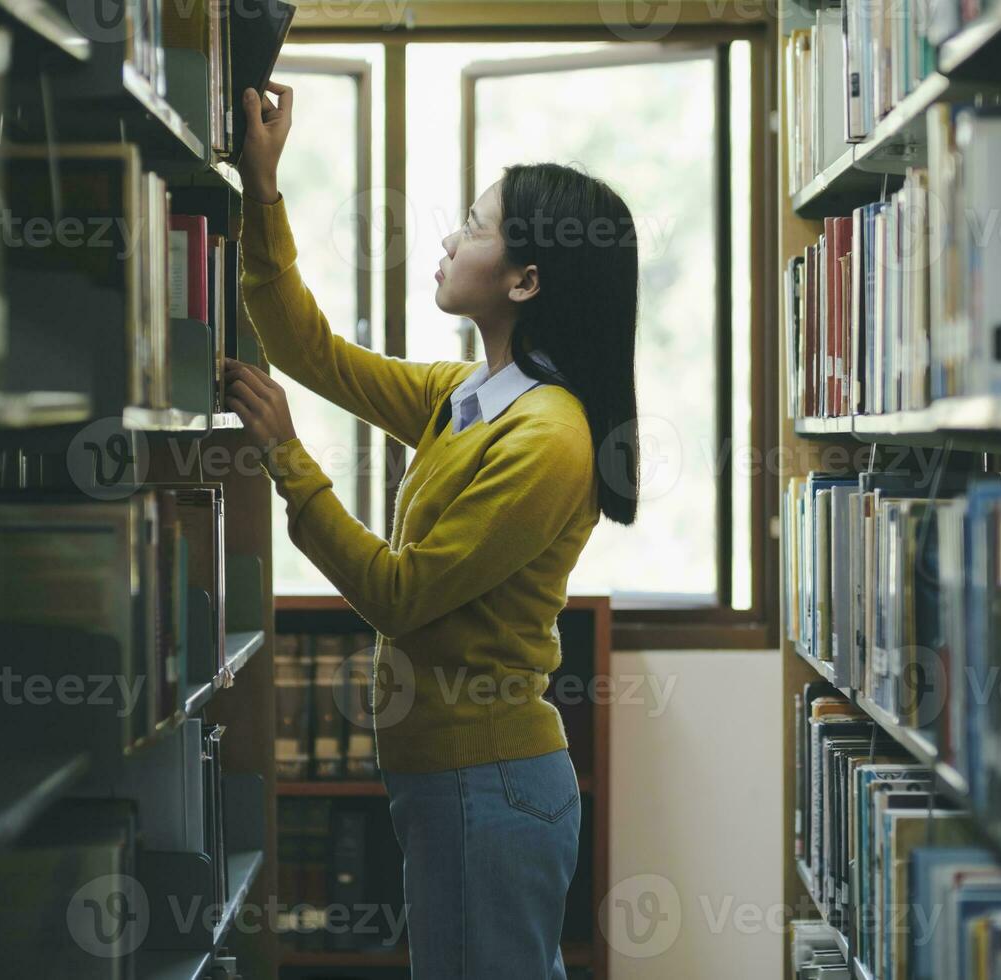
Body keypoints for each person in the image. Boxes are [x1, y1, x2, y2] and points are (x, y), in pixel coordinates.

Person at [223, 79, 641, 979]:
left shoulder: (549, 438)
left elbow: (399, 595)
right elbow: (311, 353)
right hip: (453, 779)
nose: (449, 240)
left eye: (475, 227)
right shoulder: (467, 397)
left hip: (485, 782)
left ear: (526, 279)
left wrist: (288, 459)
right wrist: (263, 193)